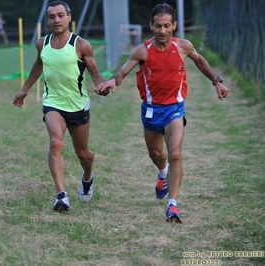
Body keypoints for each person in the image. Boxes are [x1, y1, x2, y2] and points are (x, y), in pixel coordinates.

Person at [95, 3, 229, 223]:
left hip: (174, 109)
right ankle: (162, 173)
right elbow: (123, 73)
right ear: (151, 26)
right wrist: (111, 81)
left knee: (175, 153)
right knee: (156, 154)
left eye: (167, 25)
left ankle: (172, 205)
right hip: (151, 110)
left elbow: (200, 61)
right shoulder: (142, 51)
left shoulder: (183, 46)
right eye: (158, 26)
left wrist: (217, 81)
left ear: (174, 25)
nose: (162, 31)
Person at [13, 1, 106, 212]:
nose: (56, 20)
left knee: (83, 154)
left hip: (78, 105)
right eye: (52, 16)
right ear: (48, 20)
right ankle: (61, 195)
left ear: (68, 17)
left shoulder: (81, 45)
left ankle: (88, 177)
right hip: (53, 103)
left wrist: (101, 86)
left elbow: (94, 72)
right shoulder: (41, 43)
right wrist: (24, 89)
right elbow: (39, 65)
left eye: (60, 15)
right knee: (56, 142)